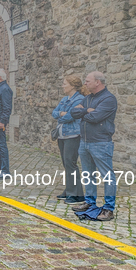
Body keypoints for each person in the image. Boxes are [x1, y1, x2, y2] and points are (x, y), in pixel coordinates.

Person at [71, 71, 118, 221]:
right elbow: (73, 112)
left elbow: (95, 117)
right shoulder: (88, 98)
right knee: (88, 174)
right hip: (84, 142)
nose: (85, 83)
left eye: (87, 81)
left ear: (97, 82)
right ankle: (90, 202)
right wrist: (86, 110)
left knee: (107, 176)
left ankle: (108, 209)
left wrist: (83, 113)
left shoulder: (109, 99)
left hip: (101, 143)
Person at [52, 75, 88, 204]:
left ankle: (76, 195)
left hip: (73, 135)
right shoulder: (64, 99)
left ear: (72, 86)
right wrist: (62, 114)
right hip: (62, 135)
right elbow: (54, 113)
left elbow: (70, 116)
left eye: (64, 84)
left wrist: (62, 115)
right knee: (66, 164)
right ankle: (70, 190)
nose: (62, 86)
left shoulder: (80, 99)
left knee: (71, 163)